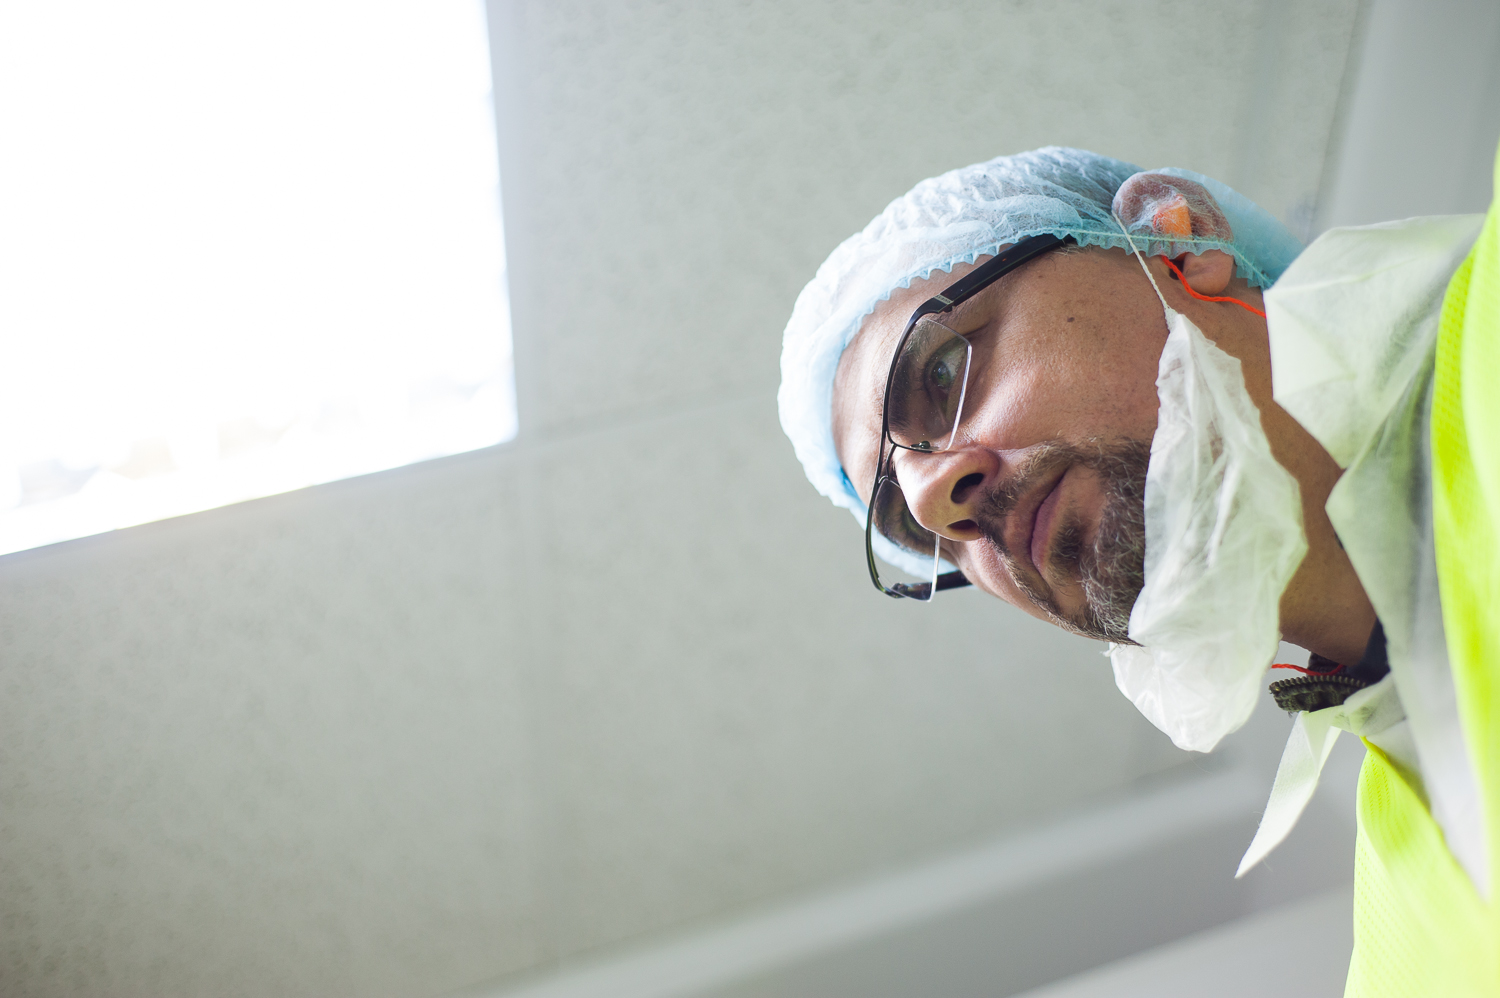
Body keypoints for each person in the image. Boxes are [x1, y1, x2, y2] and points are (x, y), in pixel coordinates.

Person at [778, 146, 1499, 996]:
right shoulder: (1404, 956)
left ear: (1175, 241)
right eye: (907, 523)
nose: (937, 503)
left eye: (942, 373)